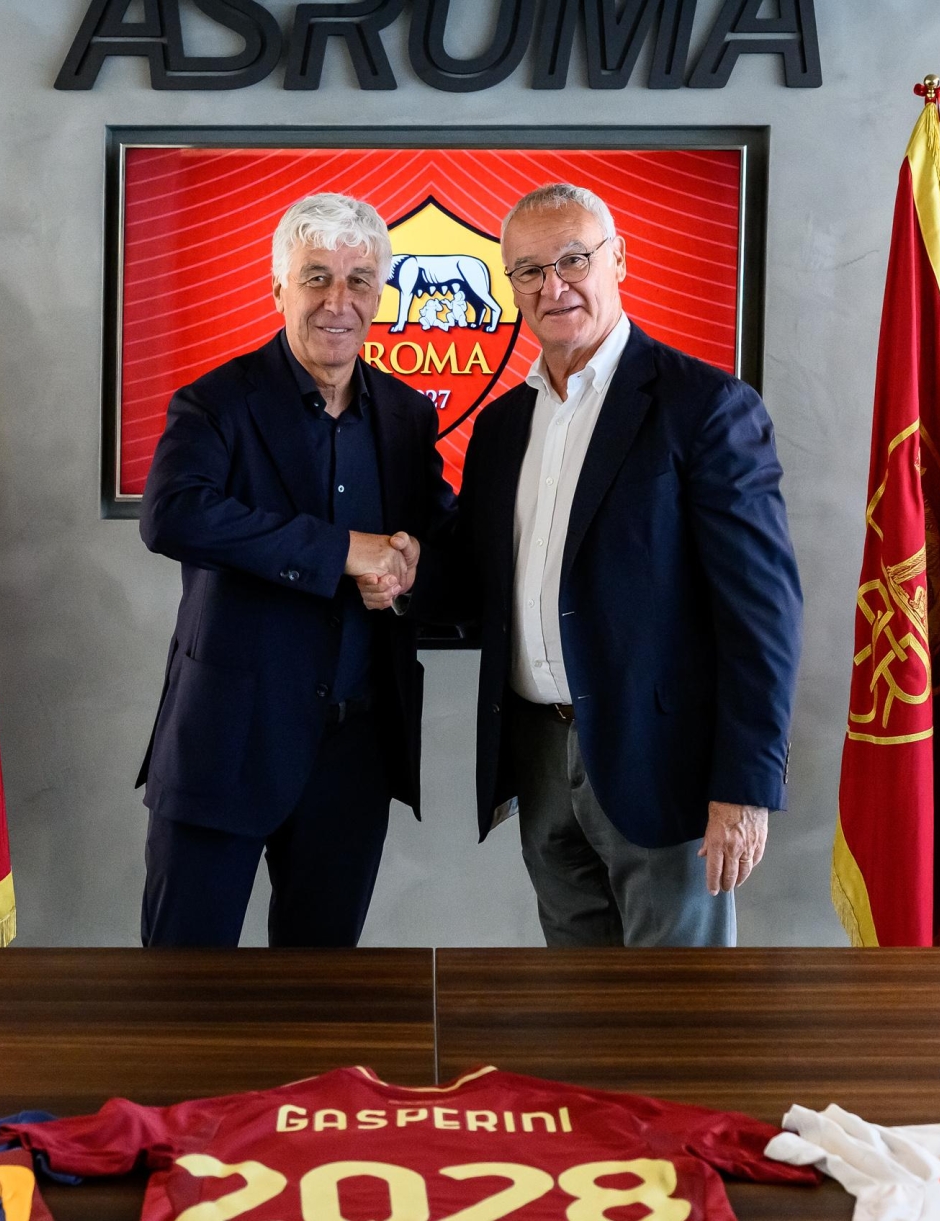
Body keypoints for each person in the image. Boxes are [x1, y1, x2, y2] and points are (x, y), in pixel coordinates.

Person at [409, 182, 802, 947]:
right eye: (528, 270)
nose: (553, 286)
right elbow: (480, 583)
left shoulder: (705, 406)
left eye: (573, 259)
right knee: (576, 1014)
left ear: (618, 258)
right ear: (510, 284)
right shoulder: (501, 428)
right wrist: (399, 572)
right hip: (538, 756)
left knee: (676, 1019)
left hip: (665, 767)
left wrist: (744, 787)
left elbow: (763, 614)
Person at [134, 193, 457, 948]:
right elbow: (173, 515)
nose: (337, 302)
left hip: (352, 758)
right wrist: (346, 551)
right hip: (224, 745)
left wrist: (410, 570)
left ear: (381, 295)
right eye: (316, 277)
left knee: (321, 1007)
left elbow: (435, 539)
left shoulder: (408, 415)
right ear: (277, 286)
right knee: (180, 1000)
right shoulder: (214, 403)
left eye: (359, 281)